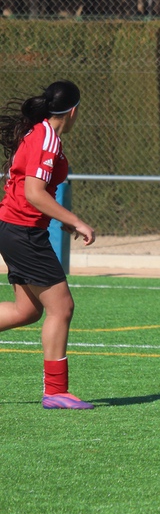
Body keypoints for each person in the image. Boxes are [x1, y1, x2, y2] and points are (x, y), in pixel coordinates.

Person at [0, 80, 97, 409]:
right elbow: (34, 193)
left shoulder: (39, 132)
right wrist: (74, 220)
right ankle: (56, 390)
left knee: (25, 311)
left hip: (16, 230)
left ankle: (56, 391)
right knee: (62, 307)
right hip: (22, 232)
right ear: (73, 112)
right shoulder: (47, 138)